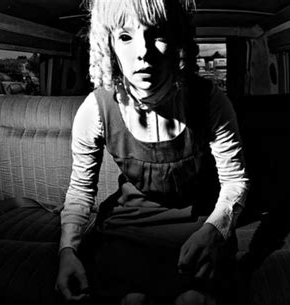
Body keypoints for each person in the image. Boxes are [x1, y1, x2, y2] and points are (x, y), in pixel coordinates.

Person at [55, 0, 248, 304]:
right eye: (125, 37)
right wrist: (67, 252)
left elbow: (235, 181)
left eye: (157, 34)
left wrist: (217, 229)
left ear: (178, 39)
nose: (143, 52)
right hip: (128, 228)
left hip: (199, 224)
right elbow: (80, 191)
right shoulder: (95, 109)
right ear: (109, 46)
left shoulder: (210, 102)